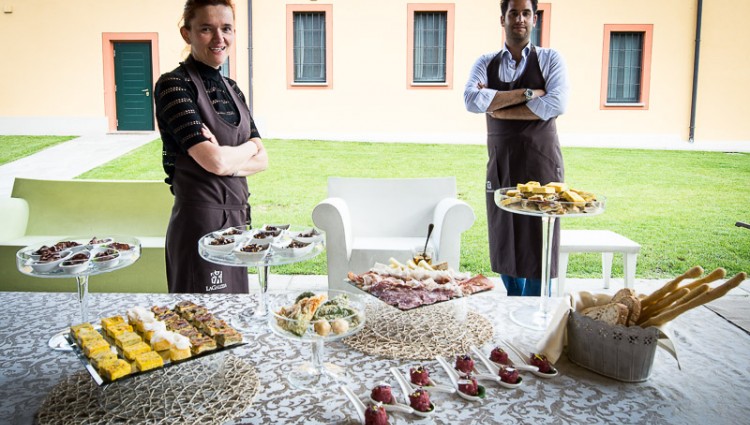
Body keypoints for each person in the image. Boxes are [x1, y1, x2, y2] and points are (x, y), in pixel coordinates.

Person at [154, 0, 268, 294]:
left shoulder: (233, 89)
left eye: (226, 28)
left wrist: (229, 157)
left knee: (235, 317)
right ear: (186, 33)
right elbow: (215, 161)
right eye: (206, 29)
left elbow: (263, 159)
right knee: (203, 324)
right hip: (200, 225)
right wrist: (245, 150)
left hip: (238, 222)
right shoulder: (174, 87)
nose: (219, 39)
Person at [463, 0, 569, 296]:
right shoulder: (485, 62)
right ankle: (514, 298)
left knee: (539, 236)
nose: (519, 19)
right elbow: (472, 100)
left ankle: (534, 305)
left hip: (542, 160)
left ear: (534, 19)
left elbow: (556, 103)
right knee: (504, 232)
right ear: (503, 19)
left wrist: (497, 106)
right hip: (501, 162)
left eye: (525, 13)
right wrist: (527, 95)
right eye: (513, 13)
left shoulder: (550, 59)